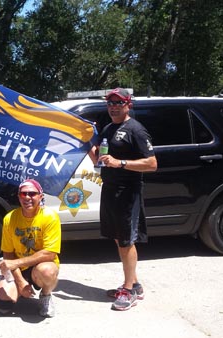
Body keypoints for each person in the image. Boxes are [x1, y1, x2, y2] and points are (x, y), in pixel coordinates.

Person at [95, 88, 157, 311]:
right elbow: (103, 161)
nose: (113, 106)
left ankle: (129, 290)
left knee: (126, 240)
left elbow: (152, 164)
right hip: (110, 189)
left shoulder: (136, 130)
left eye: (118, 103)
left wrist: (120, 163)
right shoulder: (109, 128)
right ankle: (134, 283)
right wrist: (92, 150)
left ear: (128, 105)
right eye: (110, 103)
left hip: (127, 192)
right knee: (118, 237)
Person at [0, 179, 61, 318]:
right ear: (18, 197)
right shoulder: (9, 219)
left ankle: (45, 295)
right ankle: (21, 289)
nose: (27, 197)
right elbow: (8, 255)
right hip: (19, 270)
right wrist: (21, 281)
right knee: (1, 305)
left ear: (40, 196)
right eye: (23, 194)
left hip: (41, 266)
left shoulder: (50, 216)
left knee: (47, 271)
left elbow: (50, 253)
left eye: (32, 193)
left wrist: (16, 263)